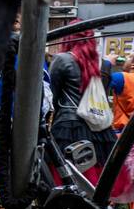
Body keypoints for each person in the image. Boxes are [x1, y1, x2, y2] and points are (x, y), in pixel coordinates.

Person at [48, 22, 116, 180]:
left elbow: (51, 96)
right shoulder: (101, 63)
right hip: (99, 128)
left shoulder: (62, 59)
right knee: (95, 180)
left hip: (68, 125)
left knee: (65, 177)